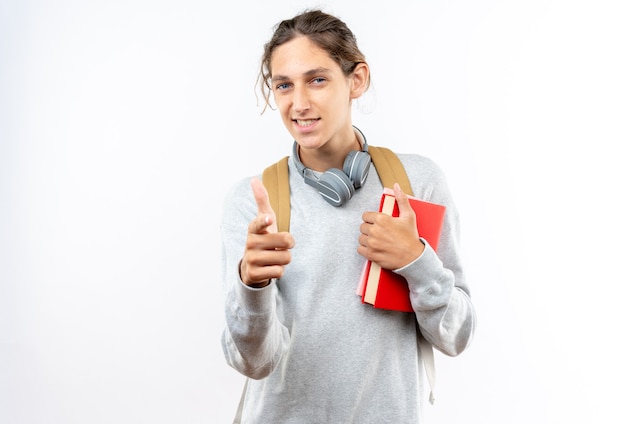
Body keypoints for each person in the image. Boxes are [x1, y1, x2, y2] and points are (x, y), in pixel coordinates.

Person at [220, 9, 476, 423]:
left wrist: (417, 260)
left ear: (356, 80)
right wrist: (251, 284)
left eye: (317, 79)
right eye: (284, 85)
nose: (298, 103)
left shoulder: (415, 184)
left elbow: (456, 336)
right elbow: (253, 363)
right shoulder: (254, 202)